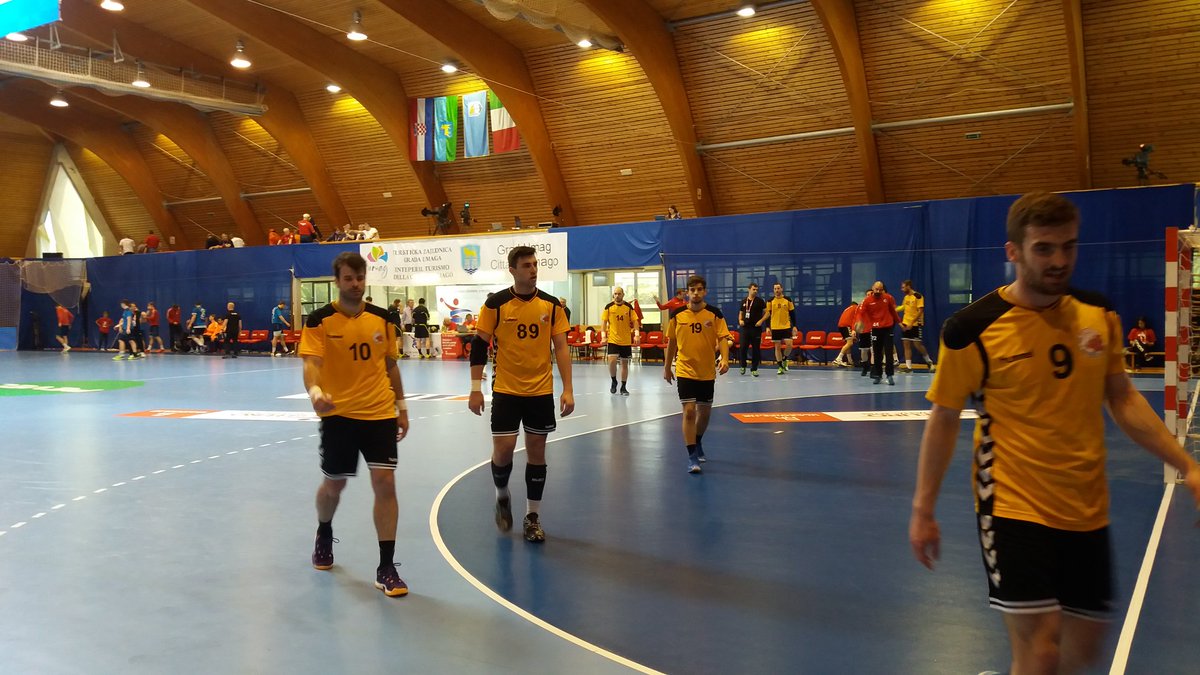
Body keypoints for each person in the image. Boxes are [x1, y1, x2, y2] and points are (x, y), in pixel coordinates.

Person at [909, 191, 1200, 675]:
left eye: (1068, 246)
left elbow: (1122, 397)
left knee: (1082, 650)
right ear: (1013, 251)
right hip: (1012, 503)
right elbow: (942, 420)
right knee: (1040, 652)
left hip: (1086, 505)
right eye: (1044, 248)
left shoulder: (1098, 315)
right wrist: (923, 511)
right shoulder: (972, 329)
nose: (1059, 260)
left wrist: (1187, 464)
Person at [301, 251, 410, 597]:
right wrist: (315, 392)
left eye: (360, 278)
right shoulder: (319, 320)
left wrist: (402, 407)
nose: (355, 284)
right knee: (334, 485)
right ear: (337, 281)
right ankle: (324, 530)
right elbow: (311, 363)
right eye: (348, 278)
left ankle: (387, 566)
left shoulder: (382, 318)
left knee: (385, 483)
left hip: (379, 413)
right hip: (339, 415)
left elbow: (391, 365)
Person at [468, 246, 573, 544]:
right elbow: (479, 345)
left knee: (537, 452)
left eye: (535, 264)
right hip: (506, 390)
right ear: (512, 270)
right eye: (526, 265)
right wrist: (475, 389)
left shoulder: (551, 305)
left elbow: (561, 347)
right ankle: (502, 495)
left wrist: (568, 388)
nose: (533, 269)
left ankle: (532, 517)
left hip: (540, 391)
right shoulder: (496, 304)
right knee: (503, 451)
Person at [663, 274, 731, 473]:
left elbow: (723, 337)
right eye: (692, 290)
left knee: (705, 412)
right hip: (684, 369)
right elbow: (672, 342)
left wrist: (725, 359)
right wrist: (667, 367)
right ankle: (692, 455)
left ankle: (698, 440)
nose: (696, 293)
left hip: (707, 370)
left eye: (699, 289)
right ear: (687, 293)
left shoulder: (715, 314)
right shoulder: (677, 315)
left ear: (705, 291)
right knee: (689, 411)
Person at [601, 287, 640, 395]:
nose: (617, 295)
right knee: (612, 361)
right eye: (615, 294)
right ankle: (614, 381)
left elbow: (635, 321)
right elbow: (604, 322)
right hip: (613, 339)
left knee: (624, 364)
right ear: (613, 295)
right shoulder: (608, 307)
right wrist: (603, 336)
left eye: (619, 293)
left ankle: (623, 387)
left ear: (623, 294)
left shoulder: (628, 307)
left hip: (625, 340)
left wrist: (637, 335)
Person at [860, 281, 900, 385]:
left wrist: (899, 322)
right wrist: (860, 323)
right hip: (875, 329)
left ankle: (889, 375)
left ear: (883, 290)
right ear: (873, 288)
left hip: (887, 328)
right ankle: (878, 375)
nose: (878, 291)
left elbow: (893, 311)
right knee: (877, 353)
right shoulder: (867, 301)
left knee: (889, 352)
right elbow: (861, 313)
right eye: (876, 289)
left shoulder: (888, 298)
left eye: (880, 290)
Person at [899, 280, 936, 373]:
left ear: (908, 286)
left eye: (903, 287)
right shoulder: (906, 297)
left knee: (917, 345)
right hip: (905, 323)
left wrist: (911, 323)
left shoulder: (918, 296)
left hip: (916, 324)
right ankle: (908, 367)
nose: (902, 289)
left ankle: (929, 361)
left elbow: (920, 311)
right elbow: (903, 307)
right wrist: (893, 309)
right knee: (906, 344)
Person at [759, 282, 795, 375]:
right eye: (775, 289)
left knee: (789, 345)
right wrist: (767, 327)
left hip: (786, 326)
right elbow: (767, 314)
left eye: (778, 288)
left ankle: (784, 359)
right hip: (775, 327)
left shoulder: (787, 299)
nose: (777, 290)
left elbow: (792, 313)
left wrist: (794, 326)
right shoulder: (770, 301)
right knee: (777, 347)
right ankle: (780, 366)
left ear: (782, 289)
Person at [737, 282, 766, 376]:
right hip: (745, 328)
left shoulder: (760, 301)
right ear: (749, 289)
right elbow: (741, 313)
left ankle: (754, 368)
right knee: (743, 347)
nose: (755, 291)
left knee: (756, 349)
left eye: (757, 290)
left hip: (756, 328)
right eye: (754, 289)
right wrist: (740, 320)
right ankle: (743, 365)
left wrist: (761, 321)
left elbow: (767, 313)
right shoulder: (743, 301)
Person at [831, 300, 859, 367]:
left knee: (848, 342)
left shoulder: (847, 309)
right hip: (846, 325)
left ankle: (850, 361)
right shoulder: (856, 308)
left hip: (841, 326)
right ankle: (838, 359)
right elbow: (854, 320)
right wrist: (853, 330)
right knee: (850, 343)